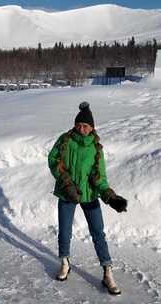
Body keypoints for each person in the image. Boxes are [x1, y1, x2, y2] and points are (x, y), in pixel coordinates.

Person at [48, 102, 128, 295]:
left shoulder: (96, 148)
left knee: (98, 232)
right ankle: (65, 262)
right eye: (78, 125)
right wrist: (67, 184)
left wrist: (110, 196)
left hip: (89, 195)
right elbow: (53, 161)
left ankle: (107, 271)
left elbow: (99, 176)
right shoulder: (65, 140)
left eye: (85, 126)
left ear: (92, 127)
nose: (81, 128)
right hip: (67, 194)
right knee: (65, 230)